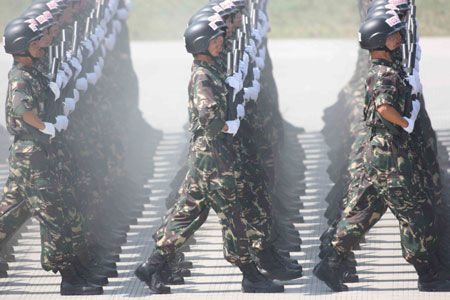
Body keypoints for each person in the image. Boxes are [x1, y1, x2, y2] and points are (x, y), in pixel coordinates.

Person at [134, 19, 284, 294]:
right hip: (214, 158)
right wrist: (229, 125)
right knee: (232, 214)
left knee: (187, 214)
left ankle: (152, 265)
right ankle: (249, 274)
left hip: (206, 157)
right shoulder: (202, 76)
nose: (220, 42)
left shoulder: (208, 71)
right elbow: (208, 116)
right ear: (201, 44)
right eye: (214, 39)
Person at [313, 13, 450, 292]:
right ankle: (427, 274)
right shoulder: (385, 74)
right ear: (379, 41)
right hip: (391, 157)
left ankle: (331, 264)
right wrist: (405, 121)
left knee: (363, 212)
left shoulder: (384, 68)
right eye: (393, 35)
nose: (398, 38)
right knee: (414, 214)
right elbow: (384, 107)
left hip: (381, 154)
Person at [1, 18, 102, 296]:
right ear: (23, 47)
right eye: (35, 43)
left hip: (39, 152)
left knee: (12, 212)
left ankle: (75, 268)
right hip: (31, 155)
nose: (41, 46)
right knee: (54, 216)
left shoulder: (33, 69)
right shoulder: (20, 77)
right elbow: (22, 110)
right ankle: (69, 278)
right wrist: (43, 125)